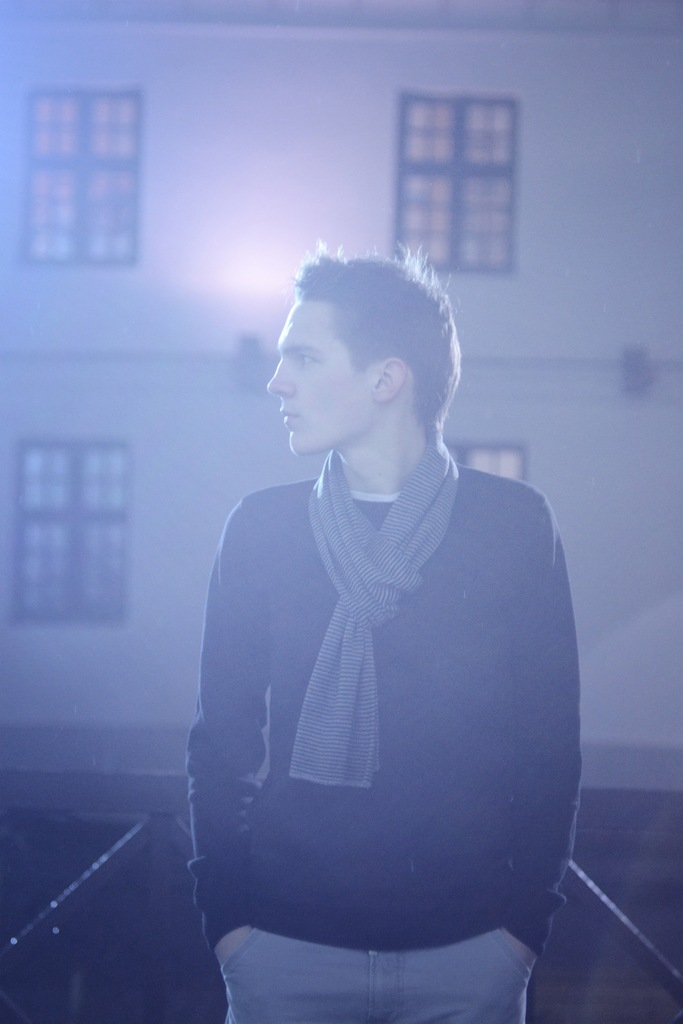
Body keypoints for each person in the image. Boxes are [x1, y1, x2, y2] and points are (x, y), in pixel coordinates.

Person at [186, 248, 581, 1024]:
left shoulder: (512, 525)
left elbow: (548, 744)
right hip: (284, 951)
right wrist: (229, 927)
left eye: (304, 357)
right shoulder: (262, 528)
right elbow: (220, 741)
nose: (277, 382)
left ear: (385, 380)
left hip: (468, 953)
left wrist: (519, 932)